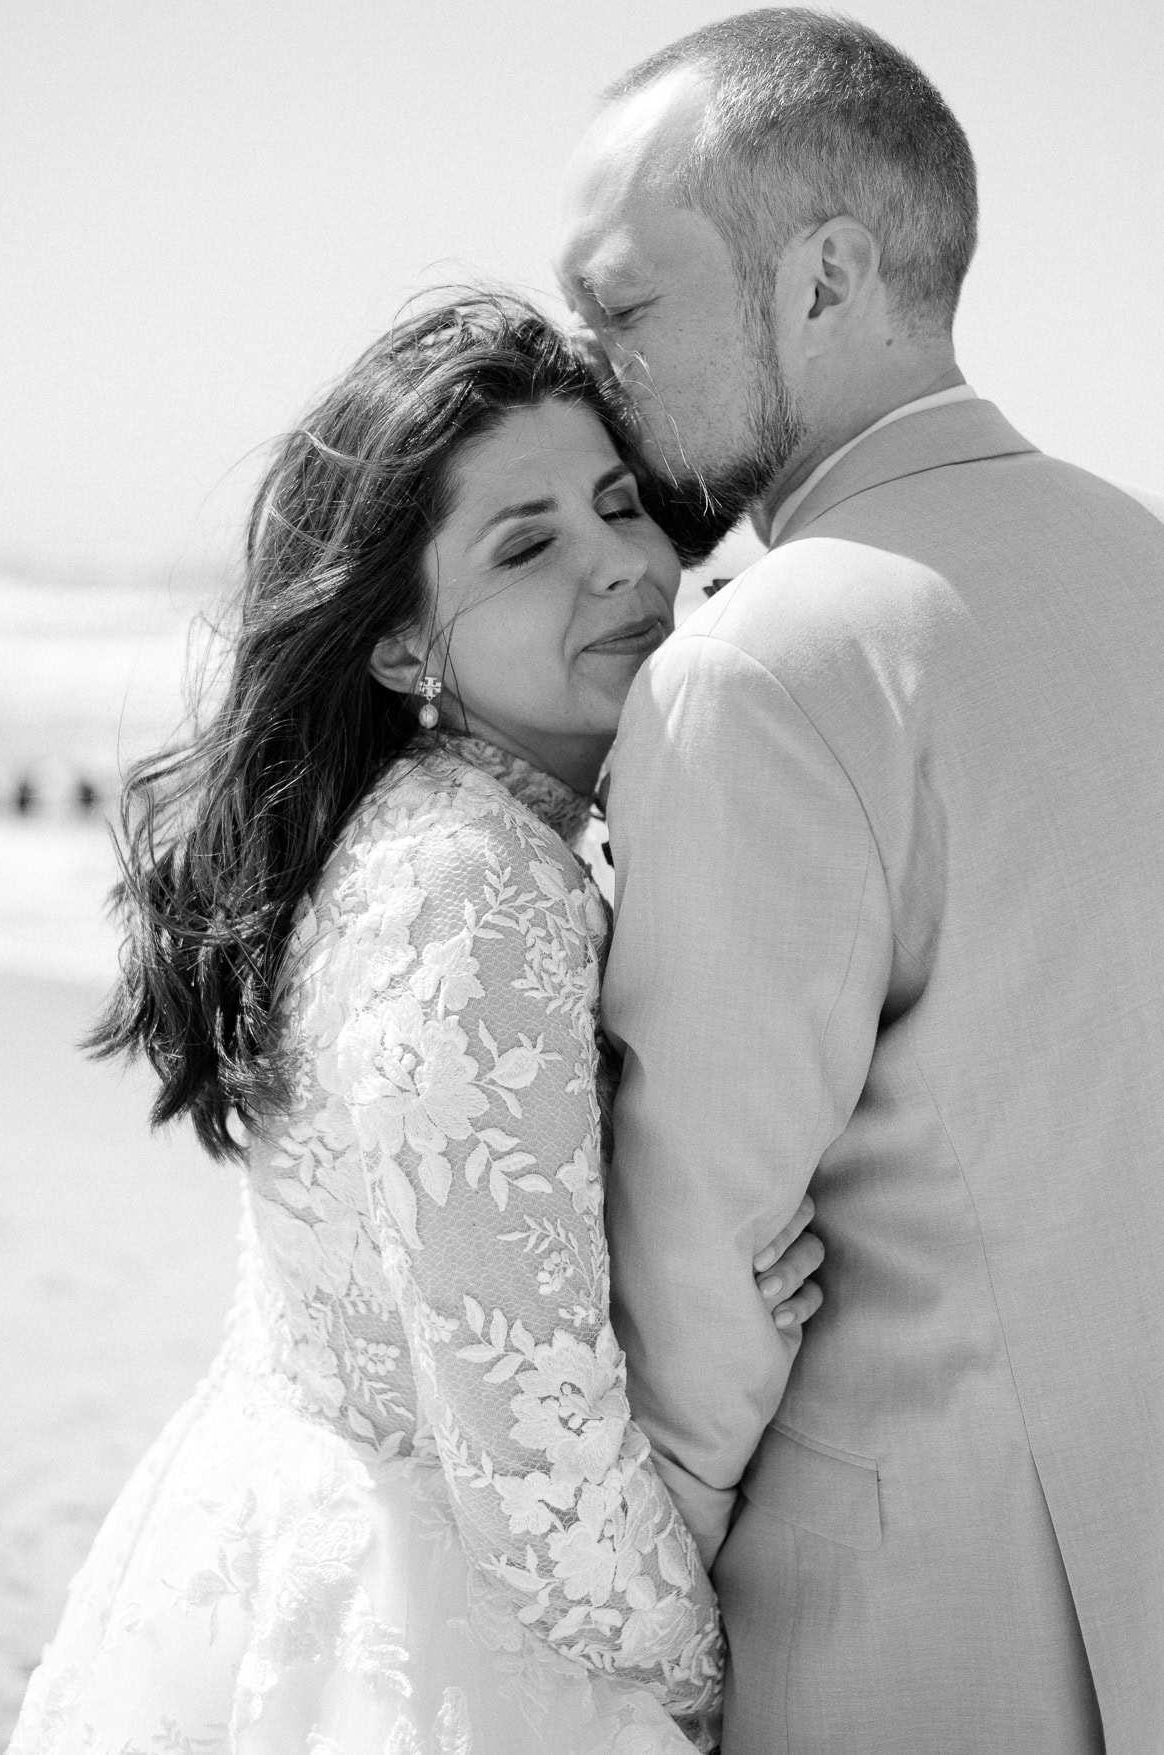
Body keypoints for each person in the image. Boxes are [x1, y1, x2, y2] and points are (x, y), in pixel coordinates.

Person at [9, 293, 825, 1755]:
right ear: (399, 647)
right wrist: (715, 1691)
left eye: (618, 503)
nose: (623, 565)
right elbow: (538, 1482)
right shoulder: (475, 893)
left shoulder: (413, 835)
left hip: (295, 1555)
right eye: (524, 546)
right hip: (439, 1644)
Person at [555, 11, 1164, 1755]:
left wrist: (625, 1619)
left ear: (821, 279)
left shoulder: (759, 666)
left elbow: (701, 1256)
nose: (591, 371)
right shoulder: (1137, 555)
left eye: (621, 307)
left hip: (900, 1630)